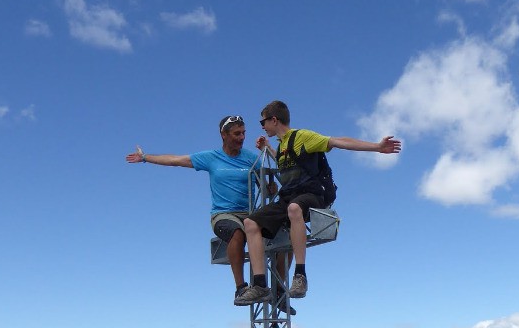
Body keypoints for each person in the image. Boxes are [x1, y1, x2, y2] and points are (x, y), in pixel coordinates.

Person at [236, 99, 401, 305]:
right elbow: (284, 161)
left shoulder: (303, 136)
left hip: (312, 194)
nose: (262, 126)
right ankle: (260, 285)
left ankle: (300, 276)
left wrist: (376, 147)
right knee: (251, 223)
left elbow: (338, 141)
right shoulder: (283, 144)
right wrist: (268, 147)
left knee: (294, 209)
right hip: (289, 196)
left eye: (263, 122)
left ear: (274, 120)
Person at [126, 115, 260, 304]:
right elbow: (175, 160)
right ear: (223, 134)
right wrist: (145, 157)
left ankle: (277, 291)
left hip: (250, 214)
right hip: (223, 214)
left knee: (279, 233)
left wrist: (271, 187)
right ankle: (241, 289)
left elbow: (268, 179)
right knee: (237, 233)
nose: (241, 137)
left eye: (244, 133)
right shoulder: (211, 158)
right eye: (237, 133)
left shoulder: (252, 159)